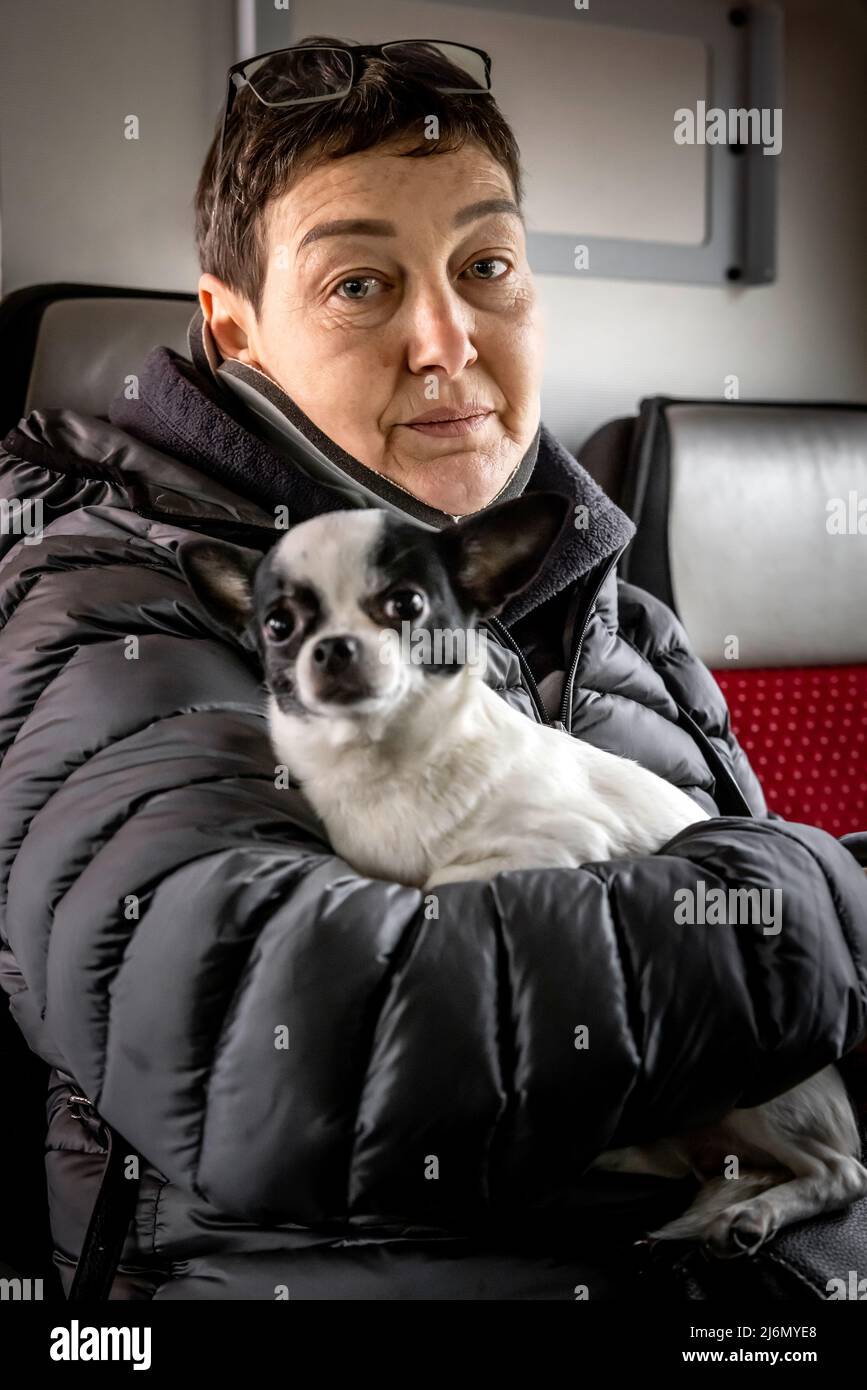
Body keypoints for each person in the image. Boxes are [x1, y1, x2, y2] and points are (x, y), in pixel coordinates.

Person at [1, 37, 865, 1301]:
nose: (446, 340)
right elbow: (281, 1053)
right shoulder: (104, 609)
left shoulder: (618, 622)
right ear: (234, 331)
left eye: (488, 266)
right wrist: (828, 910)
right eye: (360, 284)